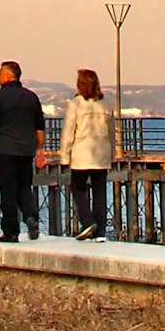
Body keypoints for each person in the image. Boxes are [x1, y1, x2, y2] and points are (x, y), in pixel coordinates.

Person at [0, 61, 44, 245]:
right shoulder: (31, 97)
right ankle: (31, 217)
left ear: (8, 75)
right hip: (26, 150)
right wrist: (39, 149)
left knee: (7, 190)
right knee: (24, 187)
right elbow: (39, 127)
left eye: (0, 73)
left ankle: (11, 232)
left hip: (5, 150)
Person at [58, 68, 117, 241]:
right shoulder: (107, 103)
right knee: (100, 192)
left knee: (77, 188)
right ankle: (100, 233)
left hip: (81, 153)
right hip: (102, 153)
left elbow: (69, 132)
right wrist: (112, 153)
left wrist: (64, 155)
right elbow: (112, 132)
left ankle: (88, 221)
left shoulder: (75, 104)